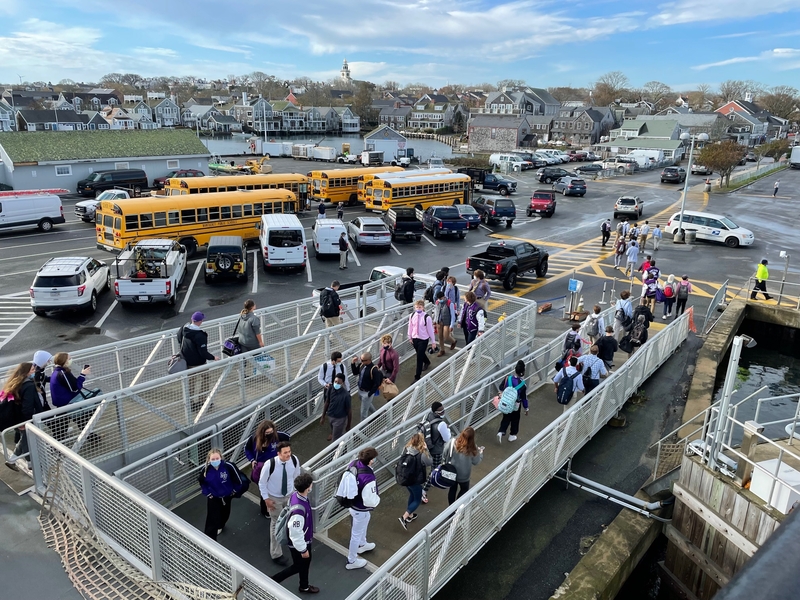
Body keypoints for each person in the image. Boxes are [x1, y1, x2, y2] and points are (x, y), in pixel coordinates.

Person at [271, 473, 318, 594]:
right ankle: (273, 580)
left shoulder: (295, 496)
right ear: (308, 487)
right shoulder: (299, 510)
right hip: (300, 544)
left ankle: (304, 586)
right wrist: (303, 550)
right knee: (299, 565)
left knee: (303, 565)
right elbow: (295, 533)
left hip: (301, 542)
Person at [258, 441, 302, 566]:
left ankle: (290, 542)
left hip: (288, 496)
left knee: (290, 521)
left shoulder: (294, 460)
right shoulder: (269, 464)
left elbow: (296, 477)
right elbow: (262, 483)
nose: (288, 454)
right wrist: (266, 499)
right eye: (285, 453)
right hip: (274, 499)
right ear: (278, 453)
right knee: (275, 524)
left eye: (289, 451)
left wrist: (295, 494)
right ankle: (276, 554)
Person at [3, 362, 48, 471]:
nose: (34, 372)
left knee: (25, 438)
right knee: (27, 439)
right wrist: (26, 422)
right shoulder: (29, 386)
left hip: (18, 417)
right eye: (32, 370)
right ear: (26, 372)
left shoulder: (16, 383)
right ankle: (24, 461)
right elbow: (28, 406)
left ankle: (17, 460)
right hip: (26, 419)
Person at [198, 448, 248, 541]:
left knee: (225, 513)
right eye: (213, 459)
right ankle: (209, 540)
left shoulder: (228, 466)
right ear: (209, 460)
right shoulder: (205, 469)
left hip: (226, 496)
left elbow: (238, 480)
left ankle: (221, 525)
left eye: (217, 458)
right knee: (211, 518)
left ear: (221, 457)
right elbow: (202, 482)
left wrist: (233, 491)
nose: (215, 461)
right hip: (213, 497)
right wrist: (208, 493)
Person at [245, 420, 290, 516]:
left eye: (271, 432)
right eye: (267, 433)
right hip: (261, 468)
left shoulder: (277, 436)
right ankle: (265, 510)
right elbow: (247, 449)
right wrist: (252, 460)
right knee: (264, 488)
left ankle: (276, 507)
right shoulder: (254, 439)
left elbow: (287, 437)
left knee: (274, 487)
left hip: (274, 467)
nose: (270, 434)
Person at [345, 447, 380, 570]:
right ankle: (352, 560)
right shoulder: (368, 477)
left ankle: (363, 543)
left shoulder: (353, 463)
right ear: (370, 460)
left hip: (352, 503)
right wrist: (377, 500)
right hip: (360, 508)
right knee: (355, 534)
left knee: (365, 520)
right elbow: (369, 499)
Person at [177, 312, 219, 410]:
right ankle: (202, 401)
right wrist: (213, 357)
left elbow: (179, 340)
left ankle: (189, 403)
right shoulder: (200, 335)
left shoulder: (183, 328)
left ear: (192, 319)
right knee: (205, 379)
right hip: (199, 363)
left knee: (190, 383)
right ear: (200, 321)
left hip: (187, 361)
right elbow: (203, 352)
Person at [398, 432, 432, 529]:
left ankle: (410, 515)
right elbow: (430, 462)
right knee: (417, 499)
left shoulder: (406, 449)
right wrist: (426, 449)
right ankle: (404, 517)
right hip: (415, 480)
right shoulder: (421, 454)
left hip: (405, 478)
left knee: (412, 495)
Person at [420, 402, 452, 504]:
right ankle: (424, 491)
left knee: (432, 467)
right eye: (442, 411)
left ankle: (428, 483)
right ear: (437, 412)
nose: (443, 412)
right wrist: (448, 429)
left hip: (428, 448)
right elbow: (447, 438)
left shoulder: (429, 416)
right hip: (437, 450)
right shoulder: (441, 424)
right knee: (435, 470)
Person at [448, 426, 483, 505]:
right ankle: (457, 507)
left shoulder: (454, 442)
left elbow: (445, 453)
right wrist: (481, 453)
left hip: (452, 471)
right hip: (464, 475)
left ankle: (450, 509)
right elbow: (476, 462)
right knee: (464, 490)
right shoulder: (473, 448)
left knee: (452, 489)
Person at [497, 360, 528, 443]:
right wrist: (526, 408)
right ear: (523, 371)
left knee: (506, 417)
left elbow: (501, 387)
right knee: (515, 419)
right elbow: (524, 398)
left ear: (515, 370)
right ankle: (512, 435)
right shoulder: (523, 385)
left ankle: (501, 431)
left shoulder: (508, 378)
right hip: (515, 405)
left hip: (506, 402)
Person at [408, 299, 438, 381]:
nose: (418, 309)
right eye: (417, 307)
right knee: (419, 353)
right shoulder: (411, 315)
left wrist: (433, 342)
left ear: (423, 308)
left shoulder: (427, 317)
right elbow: (410, 327)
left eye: (420, 307)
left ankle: (417, 376)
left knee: (419, 357)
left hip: (423, 339)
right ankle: (427, 362)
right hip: (415, 338)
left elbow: (430, 330)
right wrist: (409, 337)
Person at [351, 352, 385, 421]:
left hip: (367, 392)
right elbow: (355, 372)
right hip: (360, 390)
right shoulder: (362, 365)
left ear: (369, 360)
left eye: (363, 360)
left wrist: (369, 394)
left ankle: (362, 430)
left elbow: (377, 383)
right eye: (361, 359)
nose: (361, 361)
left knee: (363, 413)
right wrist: (353, 363)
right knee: (367, 404)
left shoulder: (374, 370)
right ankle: (376, 415)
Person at [324, 373, 351, 441]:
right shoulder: (330, 389)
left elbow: (349, 410)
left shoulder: (346, 395)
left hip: (339, 419)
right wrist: (323, 416)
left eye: (339, 383)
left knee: (335, 439)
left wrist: (348, 424)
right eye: (335, 382)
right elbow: (327, 402)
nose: (336, 384)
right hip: (330, 415)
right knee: (336, 433)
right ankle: (342, 438)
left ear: (342, 383)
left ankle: (335, 450)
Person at [434, 291, 457, 356]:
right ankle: (442, 350)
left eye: (441, 299)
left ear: (444, 297)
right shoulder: (437, 302)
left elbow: (452, 315)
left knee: (446, 336)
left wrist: (452, 325)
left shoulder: (449, 303)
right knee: (440, 336)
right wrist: (435, 321)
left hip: (447, 321)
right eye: (439, 299)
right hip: (439, 321)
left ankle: (453, 341)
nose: (440, 300)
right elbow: (436, 312)